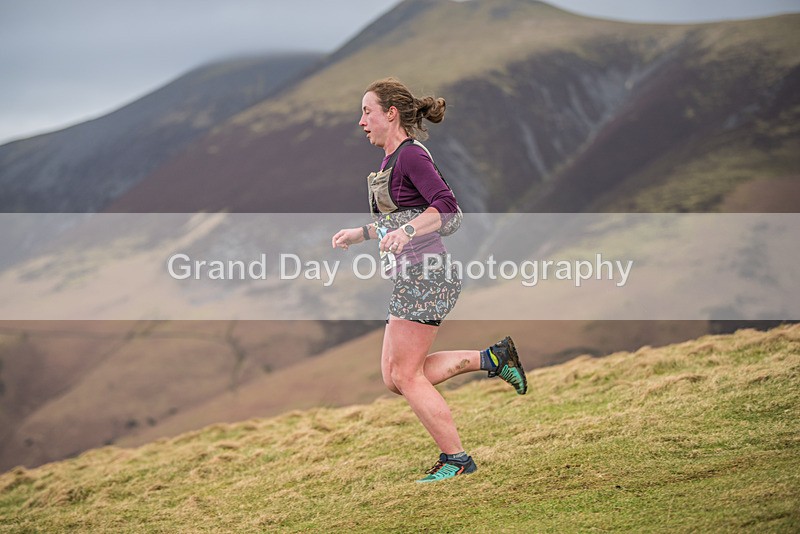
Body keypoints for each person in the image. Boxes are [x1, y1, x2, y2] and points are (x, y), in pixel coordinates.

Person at [331, 77, 527, 483]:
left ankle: (456, 459)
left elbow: (448, 210)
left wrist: (408, 233)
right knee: (395, 377)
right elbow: (400, 217)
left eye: (367, 111)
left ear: (391, 113)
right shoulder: (390, 161)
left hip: (426, 276)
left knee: (405, 375)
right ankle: (493, 359)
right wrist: (363, 233)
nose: (361, 121)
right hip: (413, 276)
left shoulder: (410, 156)